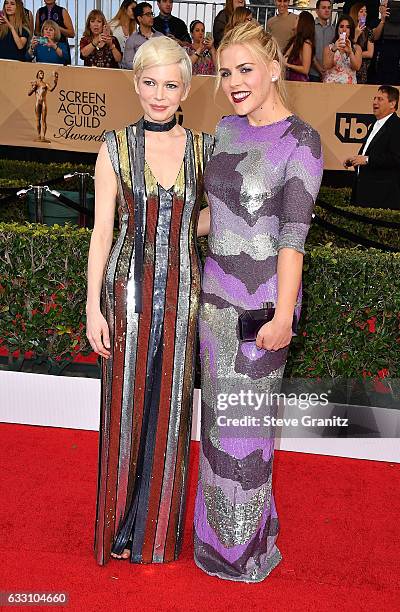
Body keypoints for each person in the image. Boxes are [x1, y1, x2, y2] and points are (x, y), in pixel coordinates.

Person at [194, 21, 323, 583]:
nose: (234, 83)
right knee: (217, 424)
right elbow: (208, 217)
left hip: (261, 311)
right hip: (213, 305)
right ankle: (213, 540)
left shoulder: (302, 140)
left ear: (274, 68)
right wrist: (154, 215)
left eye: (245, 69)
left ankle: (245, 550)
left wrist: (281, 316)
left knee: (245, 427)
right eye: (225, 72)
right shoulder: (222, 131)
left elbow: (292, 239)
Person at [88, 35, 214, 565]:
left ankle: (156, 537)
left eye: (170, 84)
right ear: (134, 83)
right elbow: (101, 232)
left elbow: (213, 219)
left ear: (185, 88)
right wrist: (91, 305)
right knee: (124, 410)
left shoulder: (208, 148)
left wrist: (188, 224)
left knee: (170, 414)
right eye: (149, 82)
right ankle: (117, 527)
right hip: (125, 296)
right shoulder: (113, 146)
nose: (159, 95)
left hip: (185, 298)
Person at [344, 85, 400, 210]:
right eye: (374, 98)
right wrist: (355, 160)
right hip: (363, 194)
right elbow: (373, 154)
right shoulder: (375, 125)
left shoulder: (399, 127)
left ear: (392, 104)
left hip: (381, 198)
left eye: (380, 99)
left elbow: (397, 160)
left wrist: (367, 160)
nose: (374, 102)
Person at [371, 1, 400, 84]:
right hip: (379, 60)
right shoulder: (375, 22)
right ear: (380, 8)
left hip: (395, 61)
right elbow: (375, 37)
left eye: (389, 6)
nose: (387, 8)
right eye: (385, 5)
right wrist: (382, 21)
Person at [121, 2, 163, 70]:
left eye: (152, 14)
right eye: (148, 14)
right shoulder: (131, 40)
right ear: (139, 18)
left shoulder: (160, 37)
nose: (152, 17)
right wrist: (145, 68)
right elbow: (128, 63)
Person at [323, 15, 362, 83]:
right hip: (331, 86)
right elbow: (326, 66)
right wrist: (334, 49)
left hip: (349, 88)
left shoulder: (357, 48)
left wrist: (350, 52)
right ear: (337, 29)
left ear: (351, 30)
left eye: (348, 27)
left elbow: (357, 67)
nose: (344, 29)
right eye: (341, 26)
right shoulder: (329, 48)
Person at [283, 10, 315, 81]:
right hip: (290, 80)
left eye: (297, 18)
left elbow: (305, 69)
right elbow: (285, 56)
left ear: (302, 22)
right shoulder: (295, 40)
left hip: (299, 82)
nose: (295, 20)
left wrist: (288, 65)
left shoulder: (306, 43)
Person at [28, 68, 58, 142]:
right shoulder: (36, 83)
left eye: (43, 73)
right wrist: (33, 88)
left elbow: (51, 90)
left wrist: (55, 83)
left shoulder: (46, 84)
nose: (42, 74)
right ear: (38, 75)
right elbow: (29, 93)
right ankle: (38, 136)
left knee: (44, 120)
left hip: (44, 102)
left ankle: (43, 136)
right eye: (41, 73)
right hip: (38, 102)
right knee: (38, 119)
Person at [309, 0, 335, 82]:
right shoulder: (311, 28)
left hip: (330, 75)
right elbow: (308, 50)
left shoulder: (334, 30)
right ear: (317, 10)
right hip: (312, 73)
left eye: (329, 8)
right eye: (323, 8)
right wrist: (318, 67)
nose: (327, 10)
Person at [349, 2, 373, 83]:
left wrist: (356, 54)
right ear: (355, 13)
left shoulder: (368, 31)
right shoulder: (349, 29)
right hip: (348, 67)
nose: (364, 14)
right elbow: (345, 50)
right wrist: (356, 35)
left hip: (363, 69)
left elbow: (370, 53)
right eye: (361, 11)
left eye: (365, 11)